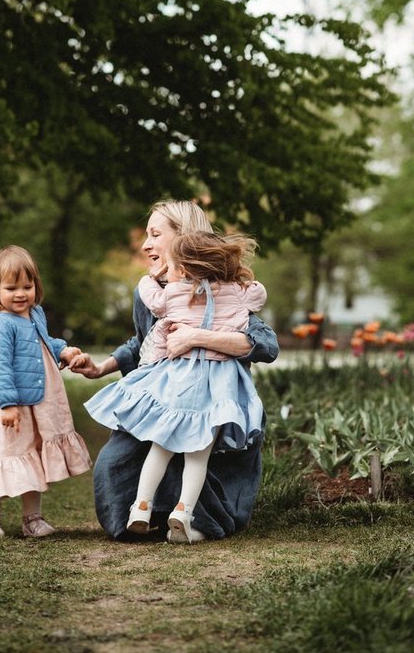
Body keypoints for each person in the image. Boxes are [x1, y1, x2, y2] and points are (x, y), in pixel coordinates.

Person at [69, 199, 279, 543]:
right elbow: (141, 342)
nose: (146, 244)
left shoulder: (222, 287)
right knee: (113, 462)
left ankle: (187, 516)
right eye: (146, 236)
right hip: (167, 392)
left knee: (192, 454)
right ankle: (142, 513)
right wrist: (100, 367)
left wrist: (196, 336)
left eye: (155, 235)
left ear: (183, 237)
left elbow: (265, 345)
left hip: (210, 401)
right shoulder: (154, 290)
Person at [0, 245, 92, 539]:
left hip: (37, 405)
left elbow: (43, 342)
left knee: (32, 456)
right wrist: (7, 404)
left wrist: (64, 350)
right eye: (11, 287)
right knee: (2, 453)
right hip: (10, 405)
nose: (21, 293)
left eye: (28, 285)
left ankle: (32, 517)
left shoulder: (34, 314)